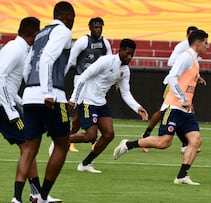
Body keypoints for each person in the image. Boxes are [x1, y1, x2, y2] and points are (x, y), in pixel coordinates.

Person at [113, 29, 209, 185]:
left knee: (196, 140)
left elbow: (185, 76)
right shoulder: (186, 57)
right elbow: (172, 77)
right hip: (173, 107)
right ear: (197, 43)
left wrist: (197, 78)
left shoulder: (195, 59)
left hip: (185, 110)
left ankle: (181, 176)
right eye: (206, 43)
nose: (207, 46)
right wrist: (183, 98)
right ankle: (128, 145)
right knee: (164, 143)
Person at [15, 1, 75, 203]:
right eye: (73, 19)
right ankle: (42, 195)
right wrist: (47, 91)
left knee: (30, 147)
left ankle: (17, 197)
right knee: (62, 143)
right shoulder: (63, 31)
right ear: (67, 17)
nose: (72, 23)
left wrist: (32, 89)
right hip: (53, 96)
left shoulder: (40, 33)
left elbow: (27, 66)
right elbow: (48, 58)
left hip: (30, 94)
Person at [67, 38, 149, 173]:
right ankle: (61, 139)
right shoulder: (106, 61)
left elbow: (126, 93)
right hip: (88, 101)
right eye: (127, 53)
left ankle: (85, 164)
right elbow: (84, 76)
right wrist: (73, 98)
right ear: (120, 50)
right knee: (90, 136)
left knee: (109, 134)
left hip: (101, 103)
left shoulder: (125, 71)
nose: (129, 57)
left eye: (132, 55)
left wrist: (137, 108)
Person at [141, 26, 204, 153]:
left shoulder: (196, 52)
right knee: (163, 111)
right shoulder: (183, 48)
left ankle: (186, 143)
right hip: (174, 83)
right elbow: (171, 62)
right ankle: (146, 135)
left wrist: (196, 76)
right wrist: (181, 66)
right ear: (187, 36)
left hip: (186, 84)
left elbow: (190, 69)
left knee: (188, 109)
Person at [65, 17, 112, 152]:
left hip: (96, 83)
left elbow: (111, 62)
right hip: (82, 80)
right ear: (90, 28)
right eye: (96, 27)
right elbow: (70, 60)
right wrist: (61, 76)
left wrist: (113, 80)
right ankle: (70, 139)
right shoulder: (83, 41)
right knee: (79, 112)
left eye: (100, 27)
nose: (98, 29)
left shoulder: (105, 44)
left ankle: (88, 139)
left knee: (89, 110)